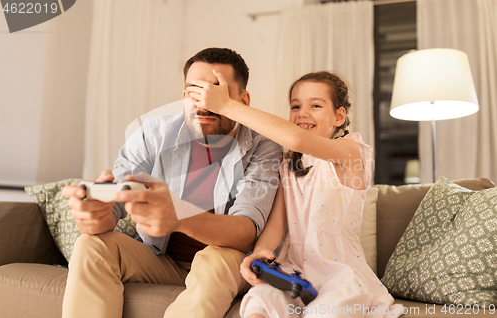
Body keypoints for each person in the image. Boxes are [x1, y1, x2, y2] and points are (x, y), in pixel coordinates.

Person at [61, 47, 283, 318]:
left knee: (215, 258)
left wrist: (180, 217)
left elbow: (247, 230)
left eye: (218, 92)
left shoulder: (264, 147)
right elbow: (112, 211)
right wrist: (95, 216)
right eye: (195, 91)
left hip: (226, 263)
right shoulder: (154, 134)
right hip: (161, 259)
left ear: (243, 101)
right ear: (184, 96)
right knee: (91, 244)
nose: (204, 103)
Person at [187, 71, 403, 317]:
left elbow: (296, 140)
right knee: (260, 301)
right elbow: (277, 225)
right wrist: (259, 255)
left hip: (339, 271)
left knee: (328, 310)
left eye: (316, 105)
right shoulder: (289, 166)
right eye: (295, 106)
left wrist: (226, 105)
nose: (302, 113)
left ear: (339, 116)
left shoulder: (352, 153)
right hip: (294, 271)